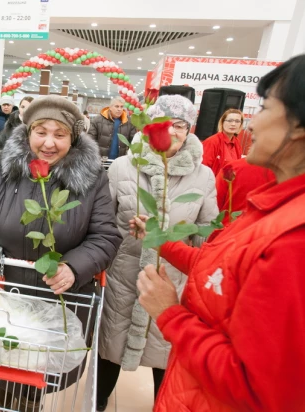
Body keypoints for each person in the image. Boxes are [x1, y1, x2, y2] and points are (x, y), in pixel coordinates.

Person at [133, 54, 305, 411]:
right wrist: (163, 241)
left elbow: (257, 388)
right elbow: (224, 271)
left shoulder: (293, 240)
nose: (249, 124)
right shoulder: (276, 208)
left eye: (265, 107)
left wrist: (170, 315)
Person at [0, 95, 122, 410]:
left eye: (60, 134)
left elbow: (105, 236)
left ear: (74, 136)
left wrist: (73, 267)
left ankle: (27, 403)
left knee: (38, 371)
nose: (49, 143)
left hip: (60, 300)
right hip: (2, 291)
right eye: (41, 131)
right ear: (28, 132)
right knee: (3, 359)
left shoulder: (93, 178)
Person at [97, 94, 218, 411]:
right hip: (123, 278)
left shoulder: (203, 176)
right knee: (109, 351)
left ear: (189, 130)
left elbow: (208, 232)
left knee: (166, 360)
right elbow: (103, 224)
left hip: (173, 284)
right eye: (165, 123)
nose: (172, 131)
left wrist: (175, 242)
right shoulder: (123, 167)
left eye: (180, 125)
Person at [214, 158, 275, 227]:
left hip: (227, 229)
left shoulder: (233, 167)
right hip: (264, 231)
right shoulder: (284, 176)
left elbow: (214, 205)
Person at [202, 108, 244, 175]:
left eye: (237, 121)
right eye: (230, 121)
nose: (233, 124)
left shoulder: (236, 142)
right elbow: (203, 168)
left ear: (240, 124)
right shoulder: (212, 142)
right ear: (222, 122)